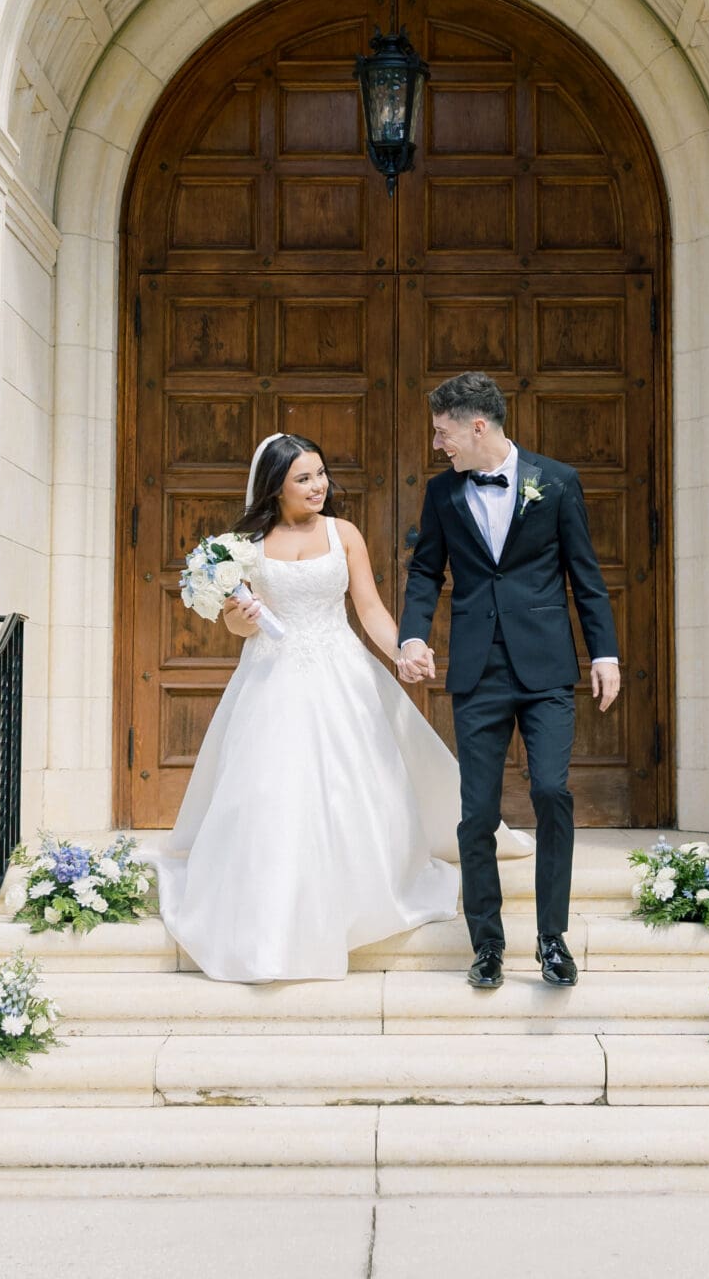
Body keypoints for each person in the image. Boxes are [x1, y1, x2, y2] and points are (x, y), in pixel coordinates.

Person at [152, 433, 527, 982]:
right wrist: (242, 615)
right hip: (271, 677)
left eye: (321, 474)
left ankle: (363, 892)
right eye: (303, 478)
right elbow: (235, 625)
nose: (318, 486)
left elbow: (369, 608)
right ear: (275, 487)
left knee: (354, 783)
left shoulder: (343, 533)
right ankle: (274, 905)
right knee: (271, 789)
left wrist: (404, 650)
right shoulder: (245, 546)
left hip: (339, 670)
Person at [398, 372, 620, 991]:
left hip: (546, 667)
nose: (437, 444)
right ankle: (488, 944)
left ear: (477, 426)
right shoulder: (443, 493)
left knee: (551, 791)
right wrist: (412, 636)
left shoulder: (556, 481)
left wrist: (604, 653)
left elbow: (585, 575)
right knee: (476, 813)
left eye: (442, 433)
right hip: (478, 672)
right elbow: (425, 572)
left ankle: (552, 939)